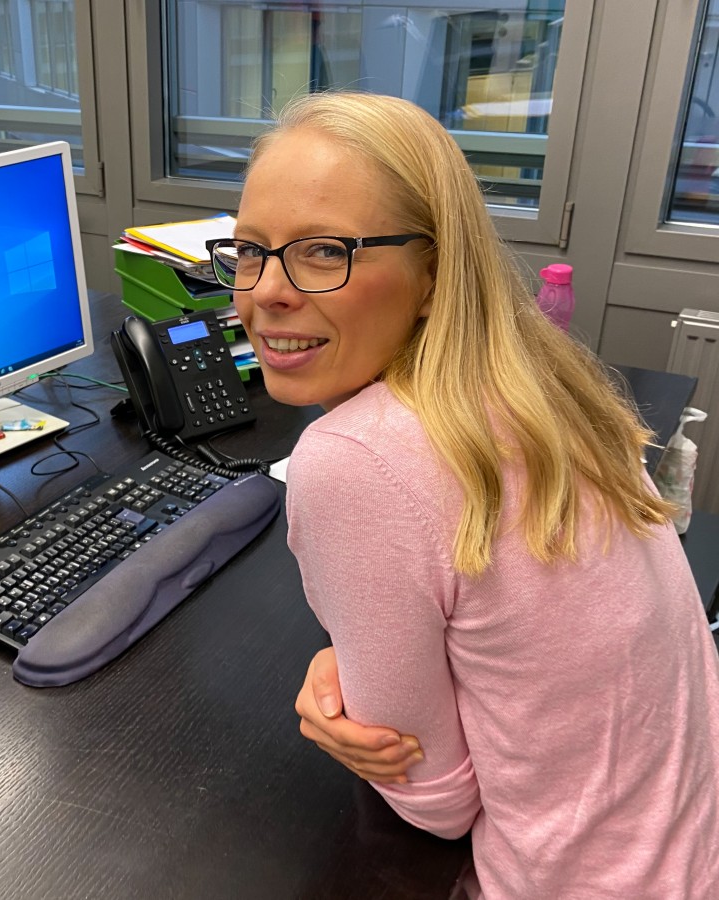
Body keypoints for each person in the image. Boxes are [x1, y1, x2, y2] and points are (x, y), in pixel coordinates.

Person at [209, 91, 719, 898]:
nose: (264, 291)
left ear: (432, 272)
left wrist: (353, 695)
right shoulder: (536, 380)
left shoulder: (353, 458)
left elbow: (437, 801)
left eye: (322, 251)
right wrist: (359, 655)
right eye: (249, 250)